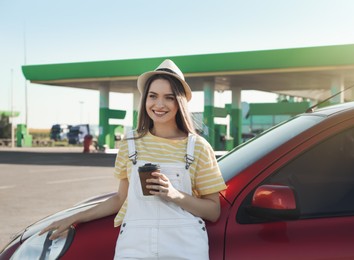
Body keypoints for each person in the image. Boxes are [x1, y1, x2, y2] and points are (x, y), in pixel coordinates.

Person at [40, 59, 227, 259]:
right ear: (145, 99)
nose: (159, 104)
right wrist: (73, 218)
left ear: (179, 101)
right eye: (153, 96)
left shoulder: (198, 146)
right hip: (134, 247)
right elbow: (120, 199)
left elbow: (213, 210)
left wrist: (174, 194)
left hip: (185, 248)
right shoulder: (130, 143)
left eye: (169, 97)